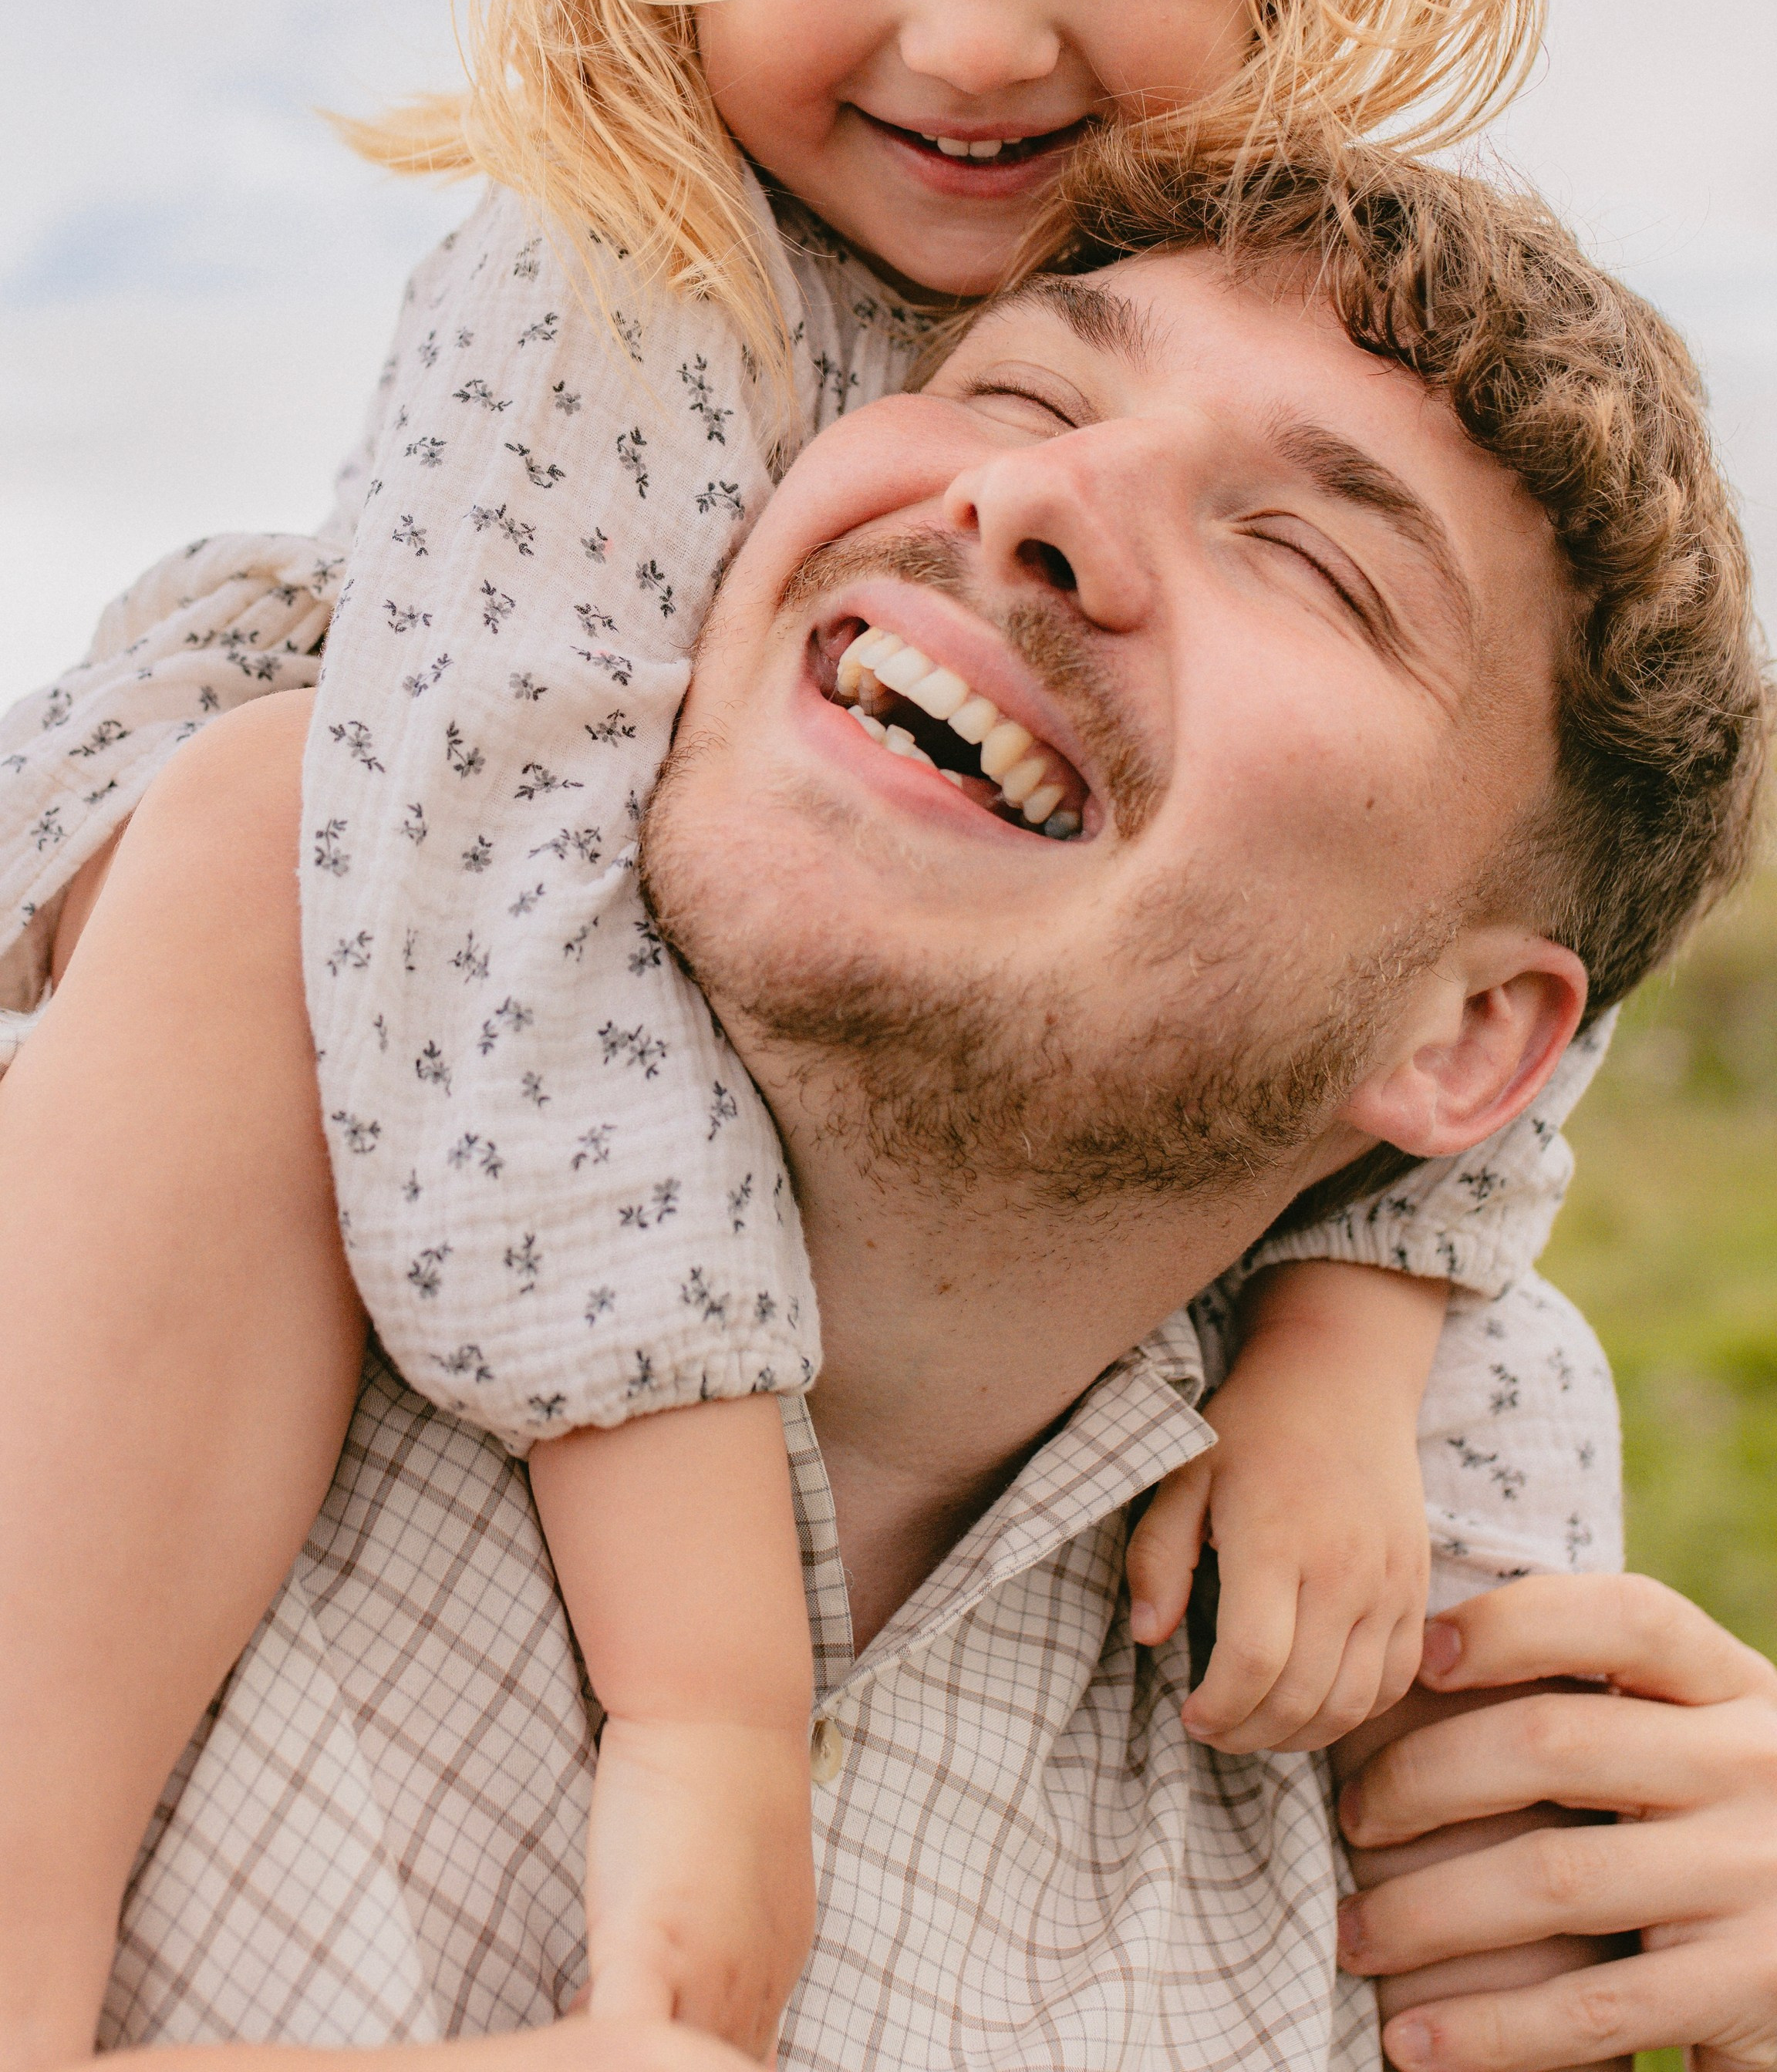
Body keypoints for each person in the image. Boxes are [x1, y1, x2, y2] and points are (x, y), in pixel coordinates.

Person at [0, 0, 1684, 2055]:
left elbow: (1503, 925)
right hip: (432, 954)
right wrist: (703, 1691)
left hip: (1032, 1245)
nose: (979, 37)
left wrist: (1351, 1352)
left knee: (1492, 1400)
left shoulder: (1303, 306)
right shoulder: (619, 290)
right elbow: (492, 964)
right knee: (255, 853)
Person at [5, 134, 1770, 2070]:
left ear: (1468, 1046)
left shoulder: (1438, 1662)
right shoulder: (152, 1046)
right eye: (1011, 386)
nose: (1033, 491)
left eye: (1306, 554)